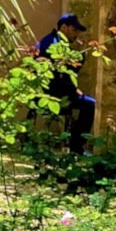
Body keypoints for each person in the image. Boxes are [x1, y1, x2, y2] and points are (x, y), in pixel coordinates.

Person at [35, 13, 95, 155]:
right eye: (74, 30)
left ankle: (75, 145)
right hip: (52, 94)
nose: (76, 34)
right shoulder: (54, 44)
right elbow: (60, 75)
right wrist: (82, 56)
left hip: (50, 91)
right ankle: (77, 147)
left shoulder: (52, 40)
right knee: (90, 104)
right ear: (63, 27)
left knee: (86, 101)